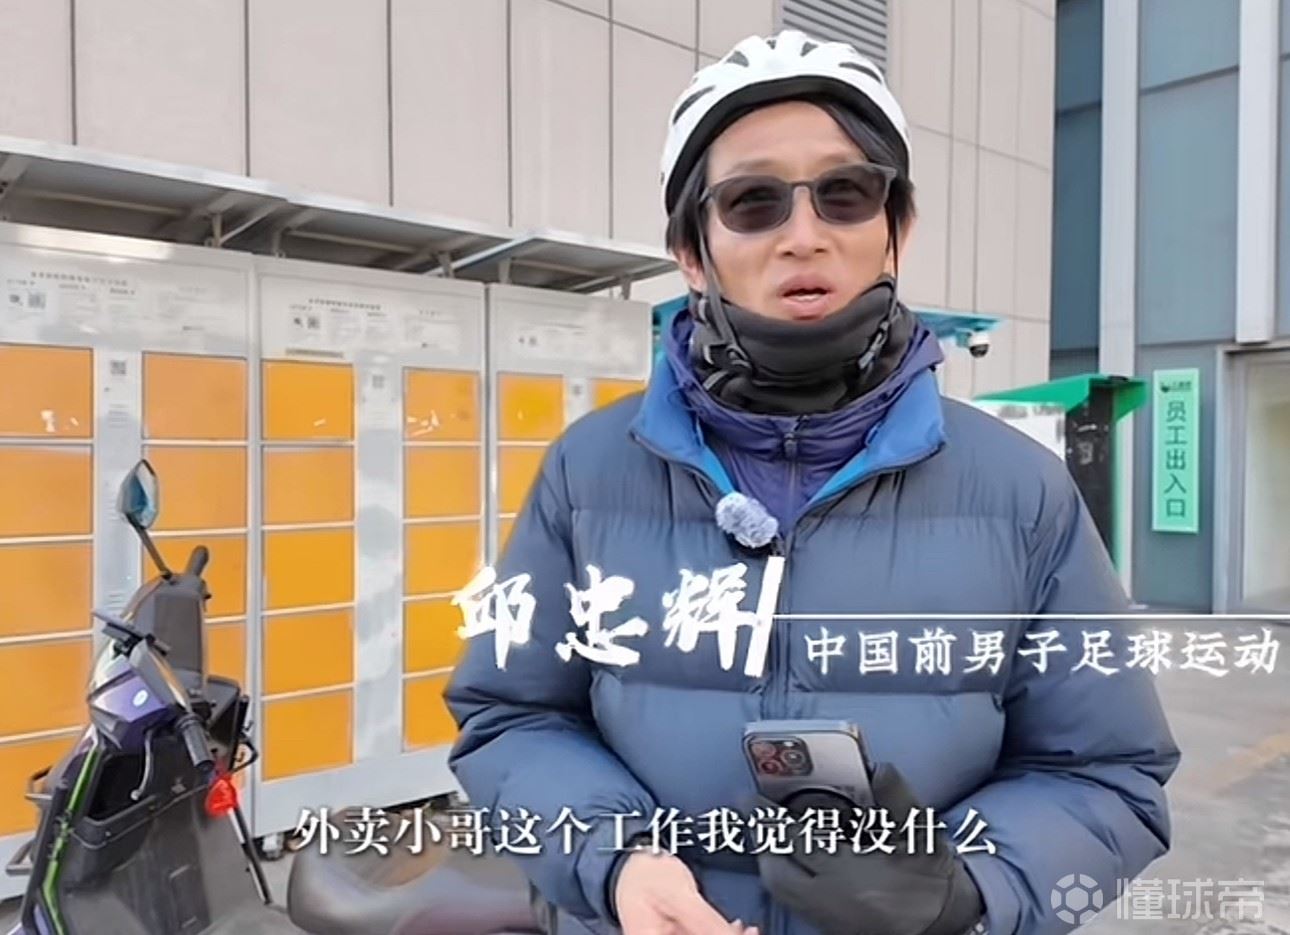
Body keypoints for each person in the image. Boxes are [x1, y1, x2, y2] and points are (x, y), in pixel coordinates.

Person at [444, 29, 1180, 935]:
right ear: (691, 250)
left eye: (846, 193)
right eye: (752, 202)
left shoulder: (1022, 491)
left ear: (897, 229)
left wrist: (965, 887)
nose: (804, 235)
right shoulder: (589, 470)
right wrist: (616, 860)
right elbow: (510, 716)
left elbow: (1109, 773)